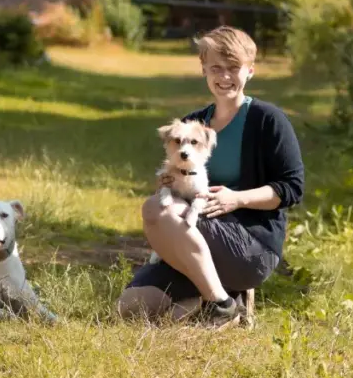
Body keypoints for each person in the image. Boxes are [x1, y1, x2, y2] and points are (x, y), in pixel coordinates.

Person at [118, 25, 304, 327]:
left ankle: (222, 305)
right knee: (130, 308)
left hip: (250, 246)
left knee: (158, 211)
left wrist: (237, 199)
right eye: (216, 67)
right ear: (203, 68)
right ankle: (219, 297)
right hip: (194, 241)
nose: (225, 76)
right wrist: (169, 182)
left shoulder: (268, 120)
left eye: (234, 68)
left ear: (251, 70)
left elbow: (292, 188)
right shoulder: (195, 123)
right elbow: (178, 178)